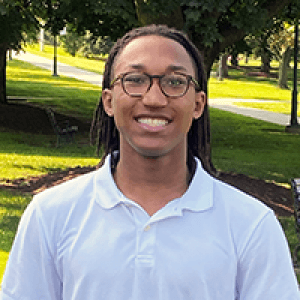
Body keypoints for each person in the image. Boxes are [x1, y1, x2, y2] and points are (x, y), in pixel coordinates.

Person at [1, 24, 299, 300]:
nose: (154, 98)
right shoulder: (51, 215)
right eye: (135, 80)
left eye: (174, 81)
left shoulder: (250, 225)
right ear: (109, 101)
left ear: (197, 104)